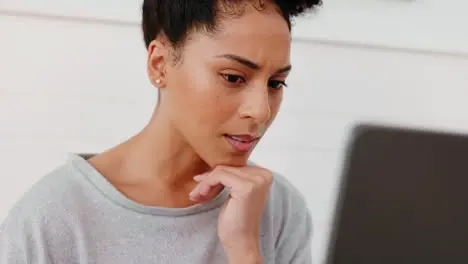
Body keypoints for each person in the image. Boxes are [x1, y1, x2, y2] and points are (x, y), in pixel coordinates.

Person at [0, 0, 321, 263]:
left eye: (275, 83)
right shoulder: (54, 218)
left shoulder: (276, 208)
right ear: (160, 64)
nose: (261, 110)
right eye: (233, 77)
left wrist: (245, 251)